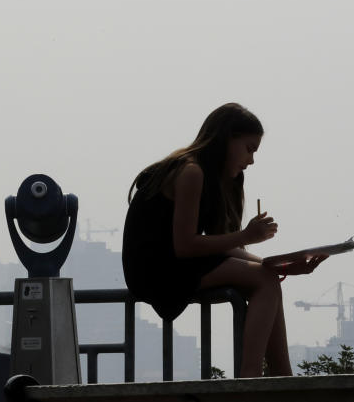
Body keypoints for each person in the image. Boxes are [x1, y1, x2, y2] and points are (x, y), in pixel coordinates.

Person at [121, 103, 326, 377]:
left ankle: (282, 377)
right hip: (156, 271)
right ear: (227, 138)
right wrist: (247, 236)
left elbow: (224, 247)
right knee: (264, 279)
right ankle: (251, 377)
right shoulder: (191, 171)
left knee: (268, 278)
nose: (251, 160)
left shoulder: (216, 177)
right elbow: (185, 246)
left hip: (179, 261)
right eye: (249, 148)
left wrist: (283, 266)